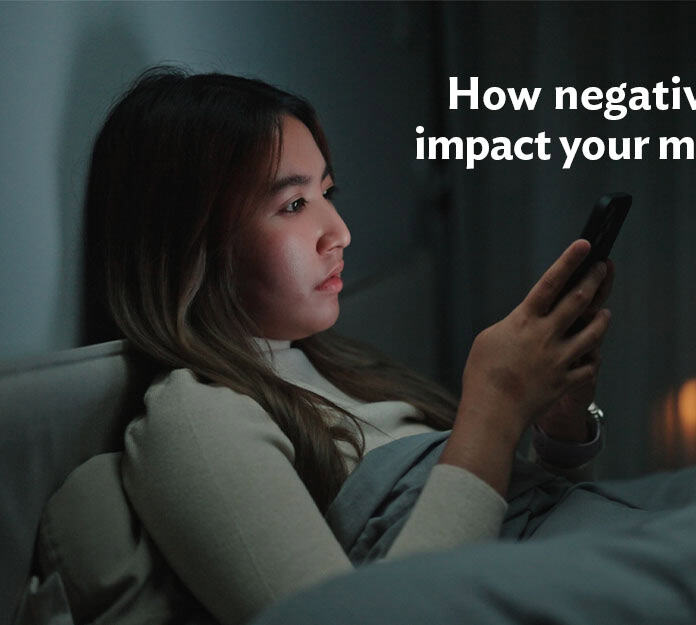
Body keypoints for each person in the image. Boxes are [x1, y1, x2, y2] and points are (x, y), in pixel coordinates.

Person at [86, 66, 613, 625]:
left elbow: (523, 526)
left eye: (327, 192)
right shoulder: (197, 415)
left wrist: (559, 431)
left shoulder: (339, 368)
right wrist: (497, 404)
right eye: (293, 205)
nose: (339, 231)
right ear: (188, 242)